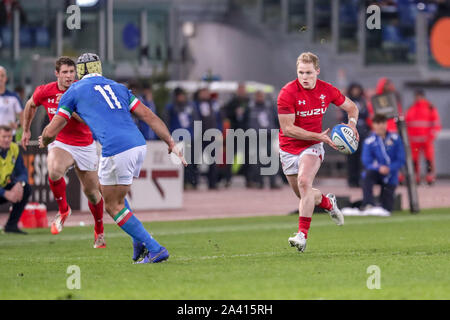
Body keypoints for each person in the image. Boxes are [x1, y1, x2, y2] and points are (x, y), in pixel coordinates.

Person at [40, 53, 186, 264]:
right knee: (109, 191)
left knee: (112, 206)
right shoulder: (118, 87)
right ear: (99, 67)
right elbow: (148, 116)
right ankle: (138, 242)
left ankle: (155, 248)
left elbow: (52, 130)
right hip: (138, 144)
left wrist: (44, 139)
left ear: (80, 72)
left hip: (116, 148)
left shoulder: (73, 91)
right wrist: (170, 142)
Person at [278, 52, 359, 253]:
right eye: (300, 72)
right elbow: (287, 129)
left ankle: (301, 236)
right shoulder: (287, 93)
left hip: (312, 146)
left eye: (308, 73)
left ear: (317, 71)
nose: (304, 77)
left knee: (305, 183)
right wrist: (319, 136)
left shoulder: (327, 90)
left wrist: (352, 125)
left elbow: (352, 108)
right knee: (304, 195)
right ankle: (328, 202)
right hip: (288, 148)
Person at [20, 57, 106, 248]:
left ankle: (99, 231)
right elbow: (30, 105)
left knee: (92, 192)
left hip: (85, 145)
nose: (69, 76)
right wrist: (26, 130)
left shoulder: (81, 90)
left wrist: (67, 105)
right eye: (65, 72)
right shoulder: (46, 90)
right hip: (61, 142)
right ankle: (64, 210)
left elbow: (88, 120)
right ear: (56, 74)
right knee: (54, 169)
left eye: (71, 72)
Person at [361, 114, 405, 214]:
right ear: (373, 125)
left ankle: (383, 203)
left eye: (383, 123)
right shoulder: (369, 141)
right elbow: (366, 161)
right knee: (367, 175)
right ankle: (368, 203)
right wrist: (379, 168)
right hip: (376, 172)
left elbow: (401, 159)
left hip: (391, 174)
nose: (380, 126)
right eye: (378, 123)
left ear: (386, 124)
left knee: (387, 208)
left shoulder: (395, 139)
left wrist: (389, 168)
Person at [165, 87, 199, 189]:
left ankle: (192, 182)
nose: (181, 97)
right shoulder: (171, 107)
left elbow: (195, 120)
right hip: (177, 138)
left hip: (190, 136)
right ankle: (181, 183)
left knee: (191, 162)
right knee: (179, 162)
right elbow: (166, 121)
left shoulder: (190, 106)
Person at [405, 89, 441, 185]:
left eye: (419, 96)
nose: (418, 99)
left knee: (428, 160)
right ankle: (416, 178)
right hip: (414, 141)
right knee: (414, 160)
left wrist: (431, 136)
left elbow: (436, 124)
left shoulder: (430, 108)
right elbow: (407, 124)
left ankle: (430, 178)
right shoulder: (412, 108)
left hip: (426, 140)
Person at [0, 125, 31, 234]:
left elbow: (22, 171)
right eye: (4, 137)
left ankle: (11, 226)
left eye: (9, 137)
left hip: (3, 187)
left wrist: (20, 183)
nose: (7, 140)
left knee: (26, 188)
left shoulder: (14, 148)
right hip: (1, 191)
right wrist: (4, 193)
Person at [246, 90, 280, 189]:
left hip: (270, 136)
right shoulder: (251, 108)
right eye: (258, 96)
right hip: (256, 137)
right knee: (258, 160)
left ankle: (273, 182)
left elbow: (276, 120)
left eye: (261, 96)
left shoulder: (270, 108)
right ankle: (259, 182)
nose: (260, 98)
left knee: (272, 159)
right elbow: (246, 122)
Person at [340, 82, 371, 187]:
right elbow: (345, 114)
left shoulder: (363, 101)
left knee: (361, 158)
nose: (355, 92)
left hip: (362, 132)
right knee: (351, 157)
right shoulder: (348, 101)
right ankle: (352, 180)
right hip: (350, 133)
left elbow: (366, 114)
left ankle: (360, 179)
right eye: (354, 89)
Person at [193, 87, 223, 190]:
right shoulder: (194, 105)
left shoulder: (214, 104)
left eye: (207, 93)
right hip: (199, 135)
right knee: (195, 160)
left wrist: (218, 131)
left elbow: (219, 118)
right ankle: (194, 182)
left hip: (212, 134)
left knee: (213, 160)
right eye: (203, 93)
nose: (205, 95)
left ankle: (213, 183)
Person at [0, 66, 23, 138]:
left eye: (2, 76)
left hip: (9, 136)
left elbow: (23, 115)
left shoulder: (14, 97)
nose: (0, 78)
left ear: (6, 78)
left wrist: (18, 125)